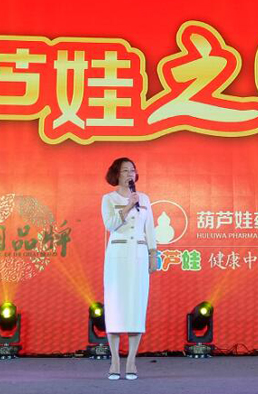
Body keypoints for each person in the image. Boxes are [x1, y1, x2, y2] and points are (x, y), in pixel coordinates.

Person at [101, 157, 157, 380]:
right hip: (117, 257)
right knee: (115, 307)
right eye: (125, 170)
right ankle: (115, 360)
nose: (130, 174)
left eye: (132, 170)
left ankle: (132, 360)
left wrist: (153, 254)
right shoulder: (108, 199)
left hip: (139, 256)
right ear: (116, 174)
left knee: (136, 306)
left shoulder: (144, 198)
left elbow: (149, 228)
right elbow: (110, 225)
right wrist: (127, 207)